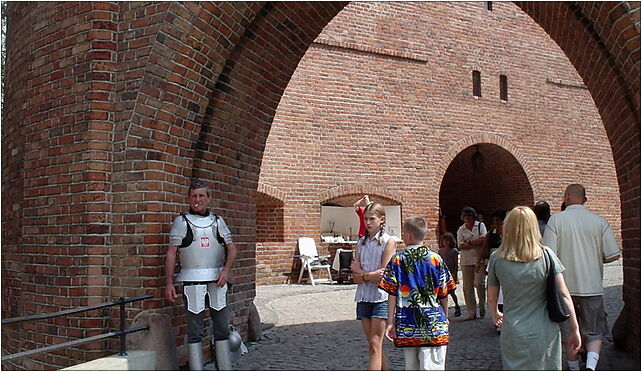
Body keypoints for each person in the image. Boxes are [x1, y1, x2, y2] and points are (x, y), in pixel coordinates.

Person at [487, 206, 581, 370]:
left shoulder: (497, 258)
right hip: (544, 331)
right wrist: (574, 328)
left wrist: (495, 314)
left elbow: (492, 297)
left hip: (513, 330)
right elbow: (564, 294)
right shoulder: (546, 255)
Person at [542, 184, 621, 371]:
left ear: (567, 197)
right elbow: (613, 254)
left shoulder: (555, 221)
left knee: (569, 331)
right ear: (584, 199)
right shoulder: (599, 221)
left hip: (565, 288)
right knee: (594, 330)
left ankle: (574, 367)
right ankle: (591, 367)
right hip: (592, 286)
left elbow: (548, 255)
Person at [165, 179, 238, 370]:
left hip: (217, 280)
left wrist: (226, 271)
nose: (198, 200)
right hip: (192, 281)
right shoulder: (181, 222)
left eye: (201, 196)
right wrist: (169, 282)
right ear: (189, 198)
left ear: (208, 198)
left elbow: (232, 249)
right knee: (195, 329)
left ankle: (224, 367)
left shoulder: (217, 221)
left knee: (222, 327)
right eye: (194, 196)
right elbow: (172, 252)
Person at [380, 217, 456, 370]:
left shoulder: (397, 260)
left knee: (411, 367)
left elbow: (392, 294)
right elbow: (444, 293)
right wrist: (445, 316)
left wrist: (390, 321)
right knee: (432, 367)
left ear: (408, 235)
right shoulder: (436, 260)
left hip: (407, 323)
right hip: (433, 324)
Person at [350, 202, 396, 370]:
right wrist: (366, 275)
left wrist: (362, 274)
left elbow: (382, 276)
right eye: (366, 219)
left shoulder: (387, 241)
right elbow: (354, 277)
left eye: (372, 219)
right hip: (363, 297)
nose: (368, 223)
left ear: (381, 219)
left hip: (381, 298)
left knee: (375, 342)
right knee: (373, 343)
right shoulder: (361, 242)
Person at [456, 206, 487, 320]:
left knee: (479, 284)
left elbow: (484, 239)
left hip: (479, 259)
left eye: (469, 215)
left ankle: (482, 307)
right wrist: (475, 242)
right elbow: (460, 245)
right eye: (465, 216)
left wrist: (468, 242)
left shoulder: (480, 226)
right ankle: (471, 311)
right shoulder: (461, 229)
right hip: (466, 260)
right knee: (467, 287)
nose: (467, 218)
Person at [480, 209, 506, 333]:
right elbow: (485, 247)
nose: (495, 222)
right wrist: (481, 262)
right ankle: (498, 318)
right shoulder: (491, 233)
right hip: (494, 261)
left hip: (503, 261)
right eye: (494, 220)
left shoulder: (506, 233)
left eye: (498, 220)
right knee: (494, 291)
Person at [438, 232, 461, 317]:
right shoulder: (440, 251)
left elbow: (455, 263)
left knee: (452, 291)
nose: (446, 242)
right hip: (443, 273)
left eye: (447, 240)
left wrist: (455, 274)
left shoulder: (454, 251)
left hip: (451, 273)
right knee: (443, 292)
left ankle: (457, 306)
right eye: (444, 240)